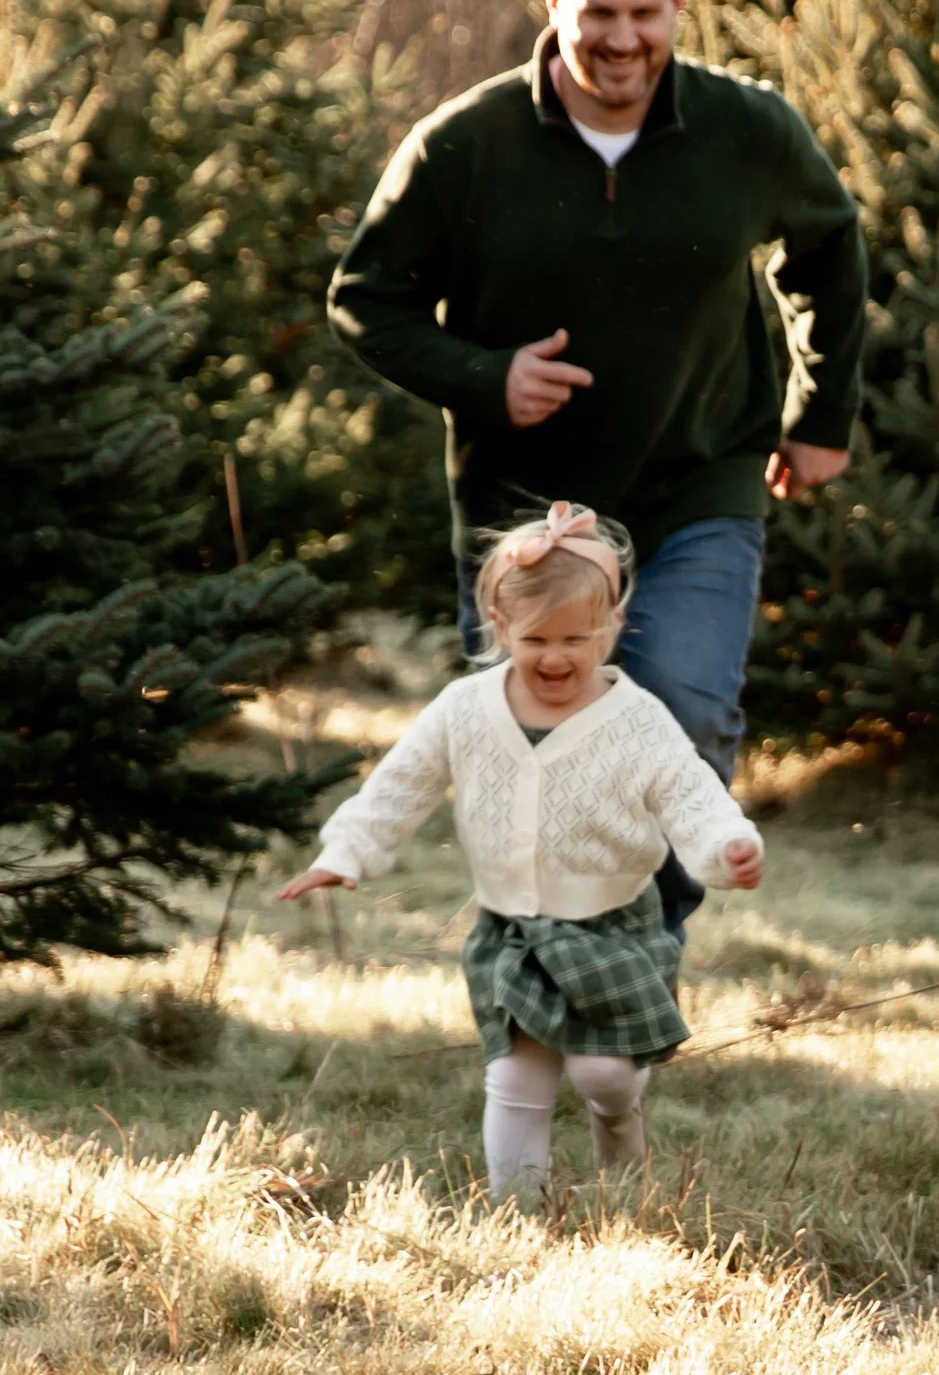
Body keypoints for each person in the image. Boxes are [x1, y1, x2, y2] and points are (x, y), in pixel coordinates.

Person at [327, 0, 867, 929]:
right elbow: (366, 300)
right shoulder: (466, 144)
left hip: (699, 479)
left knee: (688, 710)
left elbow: (830, 250)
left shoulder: (745, 131)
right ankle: (541, 978)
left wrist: (820, 414)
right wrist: (487, 376)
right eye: (598, 12)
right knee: (532, 743)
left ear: (679, 4)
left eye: (644, 13)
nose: (622, 39)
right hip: (523, 508)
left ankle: (635, 964)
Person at [279, 504, 762, 1199]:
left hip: (613, 927)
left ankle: (622, 1150)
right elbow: (401, 784)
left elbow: (692, 795)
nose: (558, 656)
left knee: (605, 1074)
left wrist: (728, 848)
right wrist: (347, 852)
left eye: (578, 637)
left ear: (613, 628)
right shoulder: (466, 708)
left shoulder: (636, 720)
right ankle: (517, 1215)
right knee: (514, 1075)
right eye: (537, 639)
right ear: (500, 629)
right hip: (513, 932)